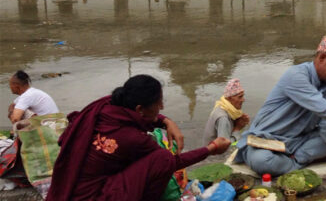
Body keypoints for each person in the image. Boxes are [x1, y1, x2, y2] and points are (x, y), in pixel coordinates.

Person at [46, 74, 230, 201]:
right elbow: (172, 162)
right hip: (93, 196)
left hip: (71, 185)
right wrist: (210, 149)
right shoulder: (131, 138)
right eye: (158, 104)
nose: (162, 107)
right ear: (139, 109)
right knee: (161, 158)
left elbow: (148, 118)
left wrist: (165, 121)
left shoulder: (104, 106)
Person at [236, 35, 326, 176]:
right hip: (267, 139)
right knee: (262, 161)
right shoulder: (296, 75)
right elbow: (323, 107)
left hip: (298, 141)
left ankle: (291, 160)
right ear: (321, 58)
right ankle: (296, 163)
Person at [203, 78, 250, 145]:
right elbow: (224, 146)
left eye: (243, 96)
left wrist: (236, 122)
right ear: (229, 98)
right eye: (240, 97)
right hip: (215, 154)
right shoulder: (223, 118)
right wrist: (237, 128)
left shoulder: (221, 106)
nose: (243, 100)